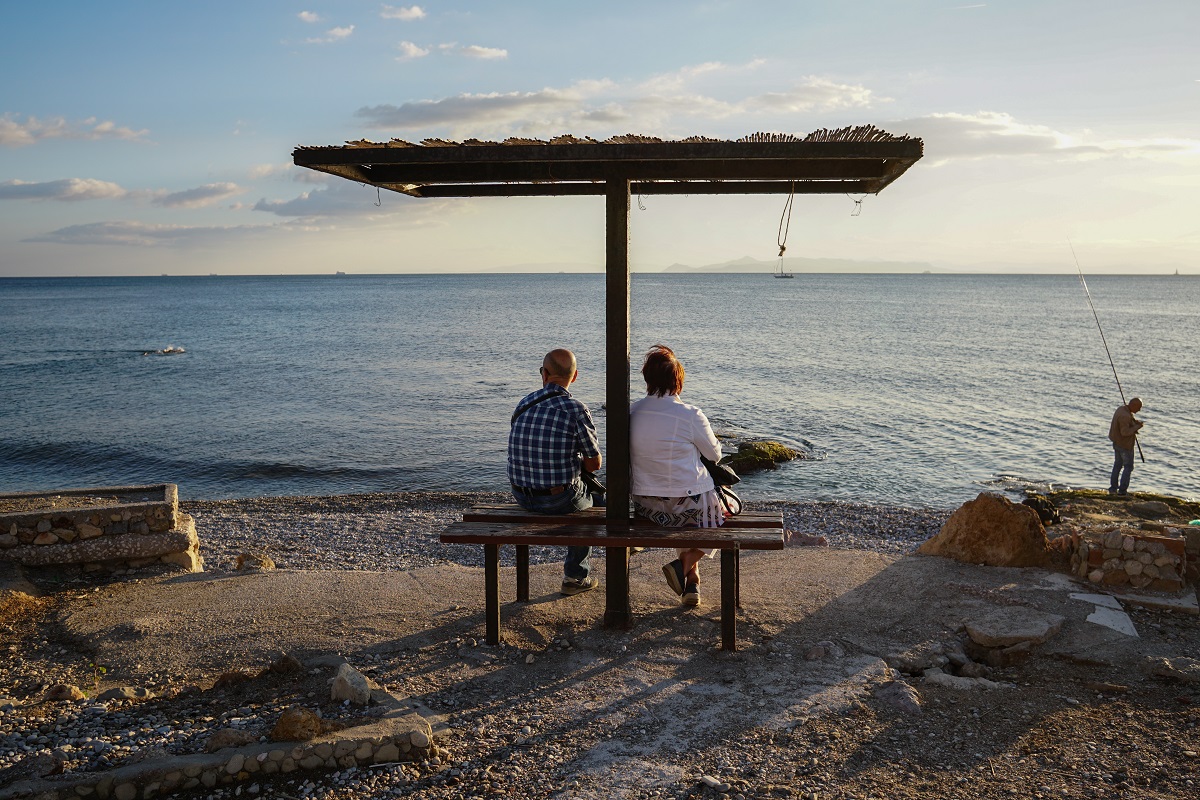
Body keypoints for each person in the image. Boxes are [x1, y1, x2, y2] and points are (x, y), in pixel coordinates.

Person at [629, 345, 724, 607]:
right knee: (721, 512)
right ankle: (685, 562)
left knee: (683, 505)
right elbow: (715, 456)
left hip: (646, 505)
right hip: (686, 506)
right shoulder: (690, 414)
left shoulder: (631, 412)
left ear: (647, 379)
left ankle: (692, 582)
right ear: (678, 380)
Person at [507, 348, 604, 596]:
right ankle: (575, 576)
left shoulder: (524, 403)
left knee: (580, 488)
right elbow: (594, 464)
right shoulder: (575, 409)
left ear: (545, 374)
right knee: (599, 501)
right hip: (557, 499)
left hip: (521, 495)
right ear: (575, 376)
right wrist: (577, 462)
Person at [1108, 397, 1144, 496]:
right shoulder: (1125, 416)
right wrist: (1137, 426)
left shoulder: (1121, 409)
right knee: (1128, 467)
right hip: (1124, 445)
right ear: (1133, 405)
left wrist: (1133, 422)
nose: (1139, 410)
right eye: (1139, 407)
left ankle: (1113, 489)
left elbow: (1126, 423)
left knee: (1117, 465)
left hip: (1117, 442)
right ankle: (1122, 491)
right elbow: (1125, 432)